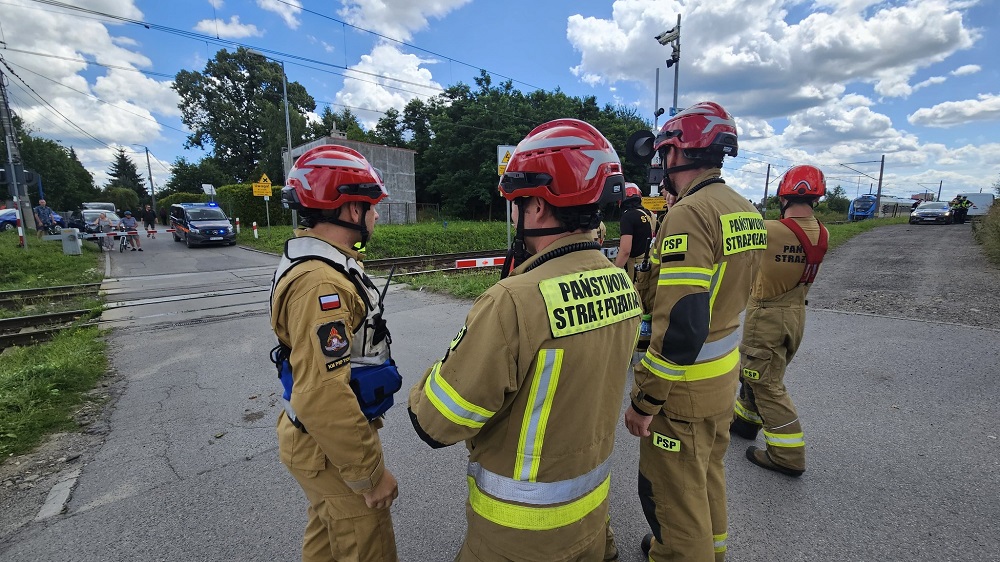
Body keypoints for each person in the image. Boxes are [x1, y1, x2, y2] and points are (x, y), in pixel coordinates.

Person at [408, 118, 641, 562]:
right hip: (590, 520)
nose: (513, 213)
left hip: (516, 536)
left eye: (515, 202)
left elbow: (436, 423)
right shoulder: (622, 286)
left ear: (536, 206)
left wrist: (424, 386)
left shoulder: (514, 301)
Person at [623, 102, 764, 562]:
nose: (661, 164)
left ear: (677, 153)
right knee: (706, 477)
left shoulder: (689, 213)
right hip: (722, 380)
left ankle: (680, 553)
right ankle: (710, 551)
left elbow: (683, 324)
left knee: (673, 496)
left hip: (682, 390)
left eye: (663, 153)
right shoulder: (744, 209)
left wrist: (646, 400)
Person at [269, 145, 401, 562]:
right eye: (370, 205)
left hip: (319, 442)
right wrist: (369, 475)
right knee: (367, 545)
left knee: (327, 542)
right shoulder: (321, 285)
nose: (376, 215)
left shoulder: (324, 263)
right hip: (328, 447)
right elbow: (323, 394)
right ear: (348, 210)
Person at [730, 165, 829, 478]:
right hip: (796, 312)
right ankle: (746, 422)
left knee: (765, 382)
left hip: (768, 315)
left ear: (783, 195)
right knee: (760, 373)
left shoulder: (771, 230)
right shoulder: (822, 232)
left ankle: (788, 455)